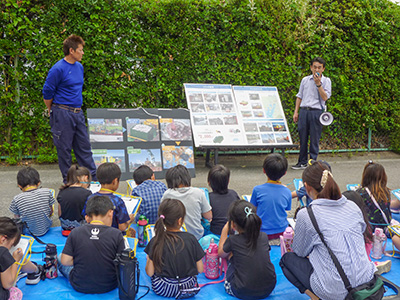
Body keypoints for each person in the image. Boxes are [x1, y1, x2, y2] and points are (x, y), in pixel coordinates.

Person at [280, 161, 377, 300]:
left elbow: (300, 252)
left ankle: (316, 297)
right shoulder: (352, 206)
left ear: (307, 187)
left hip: (335, 291)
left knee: (287, 260)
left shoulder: (307, 214)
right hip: (367, 282)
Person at [42, 34, 97, 183]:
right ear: (71, 51)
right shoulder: (57, 69)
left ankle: (93, 181)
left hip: (77, 113)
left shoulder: (79, 67)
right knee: (64, 151)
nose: (83, 52)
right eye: (80, 49)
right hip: (62, 113)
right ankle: (69, 184)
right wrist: (51, 109)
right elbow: (47, 92)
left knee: (84, 148)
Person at [59, 195, 125, 294]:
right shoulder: (116, 234)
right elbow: (122, 264)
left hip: (79, 284)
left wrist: (83, 260)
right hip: (109, 285)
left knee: (59, 257)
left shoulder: (75, 232)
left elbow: (65, 261)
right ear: (110, 213)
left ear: (87, 218)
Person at [145, 198, 204, 297]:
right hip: (188, 287)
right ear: (180, 220)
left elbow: (150, 272)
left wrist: (150, 258)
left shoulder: (156, 240)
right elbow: (200, 269)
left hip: (163, 288)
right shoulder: (191, 238)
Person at [218, 200, 276, 299]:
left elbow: (221, 254)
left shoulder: (233, 240)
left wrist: (224, 230)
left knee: (230, 255)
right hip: (268, 288)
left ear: (233, 224)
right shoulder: (263, 236)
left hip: (241, 291)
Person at [292, 57, 332, 170]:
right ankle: (302, 162)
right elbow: (299, 96)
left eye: (319, 67)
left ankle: (312, 163)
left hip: (317, 112)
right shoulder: (305, 80)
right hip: (304, 110)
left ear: (323, 69)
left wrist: (318, 84)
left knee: (314, 139)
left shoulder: (327, 81)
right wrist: (296, 112)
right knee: (302, 137)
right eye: (314, 67)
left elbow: (325, 97)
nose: (316, 70)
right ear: (311, 68)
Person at [343, 190, 391, 275]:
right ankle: (372, 267)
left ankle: (371, 268)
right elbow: (367, 249)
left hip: (345, 266)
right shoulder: (366, 226)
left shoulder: (340, 226)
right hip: (363, 263)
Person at [357, 161, 400, 250]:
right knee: (395, 237)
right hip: (386, 226)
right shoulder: (386, 192)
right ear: (383, 177)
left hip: (369, 229)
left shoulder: (360, 193)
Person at [161, 165, 212, 240]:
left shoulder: (167, 194)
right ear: (187, 178)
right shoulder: (198, 192)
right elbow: (209, 216)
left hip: (173, 237)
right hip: (196, 236)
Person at [0, 217, 44, 299]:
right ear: (3, 239)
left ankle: (35, 270)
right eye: (11, 245)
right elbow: (7, 285)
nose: (10, 248)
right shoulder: (2, 252)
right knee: (14, 291)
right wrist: (16, 260)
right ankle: (36, 270)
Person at [250, 153, 292, 240]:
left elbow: (253, 209)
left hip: (261, 231)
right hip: (282, 231)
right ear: (285, 173)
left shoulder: (257, 190)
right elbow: (287, 209)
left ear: (264, 170)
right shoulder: (287, 191)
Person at [83, 163, 133, 232]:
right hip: (113, 237)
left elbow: (86, 218)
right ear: (115, 181)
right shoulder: (118, 201)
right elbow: (122, 227)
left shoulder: (90, 198)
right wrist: (130, 219)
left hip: (93, 234)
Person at [9, 167, 55, 236]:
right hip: (46, 228)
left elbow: (17, 218)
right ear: (38, 183)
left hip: (28, 231)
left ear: (19, 185)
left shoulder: (17, 199)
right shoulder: (47, 192)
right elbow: (51, 211)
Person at [57, 164, 92, 231]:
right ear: (85, 178)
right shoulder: (87, 193)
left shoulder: (61, 192)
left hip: (65, 227)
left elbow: (60, 213)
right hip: (82, 228)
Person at [208, 164, 240, 235]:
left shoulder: (208, 197)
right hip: (232, 231)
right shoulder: (233, 194)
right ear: (228, 181)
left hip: (215, 232)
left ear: (209, 183)